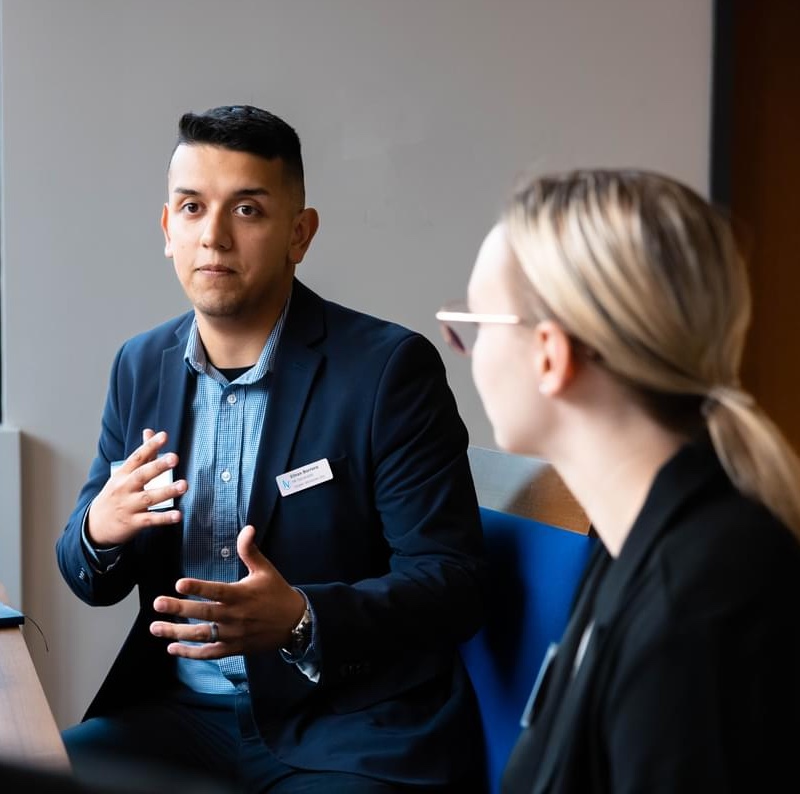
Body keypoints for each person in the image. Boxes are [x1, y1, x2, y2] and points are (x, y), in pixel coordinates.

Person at [56, 105, 486, 794]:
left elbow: (454, 582)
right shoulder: (139, 366)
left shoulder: (388, 371)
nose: (214, 236)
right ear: (168, 229)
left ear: (299, 233)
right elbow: (88, 576)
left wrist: (303, 618)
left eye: (248, 210)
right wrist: (100, 529)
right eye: (192, 208)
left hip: (348, 727)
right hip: (177, 717)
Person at [436, 169, 800, 793]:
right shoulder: (633, 536)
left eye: (471, 325)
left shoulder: (697, 603)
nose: (464, 351)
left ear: (550, 355)